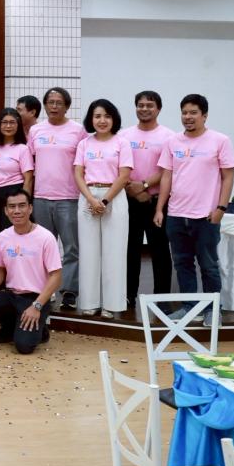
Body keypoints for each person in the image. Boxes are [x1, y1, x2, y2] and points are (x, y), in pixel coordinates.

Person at [154, 94, 234, 328]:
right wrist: (160, 208)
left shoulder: (220, 140)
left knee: (208, 265)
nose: (188, 117)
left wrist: (221, 208)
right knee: (182, 263)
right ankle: (191, 307)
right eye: (184, 112)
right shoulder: (173, 142)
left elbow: (228, 176)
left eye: (193, 113)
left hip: (206, 216)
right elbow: (167, 176)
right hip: (177, 215)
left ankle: (213, 309)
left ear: (204, 115)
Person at [0, 187, 62, 354]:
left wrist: (37, 306)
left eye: (22, 206)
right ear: (6, 211)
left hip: (37, 298)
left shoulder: (45, 237)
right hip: (12, 295)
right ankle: (10, 326)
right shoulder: (3, 236)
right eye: (12, 206)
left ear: (30, 208)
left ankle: (41, 329)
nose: (17, 211)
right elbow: (0, 268)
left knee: (24, 346)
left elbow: (56, 276)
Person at [73, 99, 133, 318]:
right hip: (88, 197)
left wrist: (105, 201)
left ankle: (112, 304)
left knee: (114, 252)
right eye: (97, 116)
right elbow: (78, 173)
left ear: (114, 119)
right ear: (91, 119)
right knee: (88, 252)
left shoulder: (122, 143)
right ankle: (90, 302)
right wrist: (91, 199)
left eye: (107, 116)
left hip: (114, 197)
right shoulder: (84, 144)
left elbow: (124, 175)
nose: (102, 120)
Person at [28, 87, 86, 310]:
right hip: (41, 197)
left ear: (67, 106)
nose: (54, 106)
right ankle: (45, 290)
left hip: (68, 197)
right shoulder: (36, 130)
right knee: (44, 247)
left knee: (71, 248)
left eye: (59, 102)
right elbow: (30, 162)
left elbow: (83, 164)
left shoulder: (78, 131)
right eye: (50, 102)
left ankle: (69, 291)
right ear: (44, 105)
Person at [120, 90, 175, 308]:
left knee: (160, 251)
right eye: (140, 105)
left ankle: (161, 299)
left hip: (156, 202)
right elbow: (117, 167)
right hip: (128, 201)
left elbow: (166, 169)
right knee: (129, 250)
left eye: (149, 105)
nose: (144, 109)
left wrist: (143, 186)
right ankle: (127, 296)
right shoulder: (124, 135)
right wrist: (132, 190)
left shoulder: (169, 136)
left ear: (158, 109)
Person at [0, 108, 34, 235]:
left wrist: (24, 202)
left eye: (12, 122)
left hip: (14, 194)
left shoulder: (23, 149)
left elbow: (28, 179)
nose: (8, 126)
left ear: (18, 125)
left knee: (13, 232)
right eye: (5, 122)